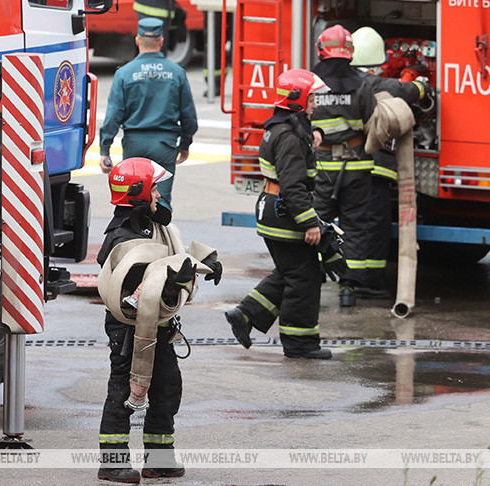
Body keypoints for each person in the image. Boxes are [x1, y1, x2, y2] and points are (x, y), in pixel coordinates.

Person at [96, 157, 222, 483]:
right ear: (140, 192)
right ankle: (112, 463)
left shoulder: (153, 226)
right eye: (154, 189)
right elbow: (139, 292)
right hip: (129, 328)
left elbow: (171, 262)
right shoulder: (121, 240)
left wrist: (203, 263)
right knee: (124, 392)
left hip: (160, 327)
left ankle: (159, 459)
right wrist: (177, 279)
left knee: (166, 390)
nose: (158, 196)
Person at [223, 69, 344, 360]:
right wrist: (309, 223)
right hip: (285, 212)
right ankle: (300, 344)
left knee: (292, 271)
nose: (315, 105)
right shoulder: (289, 136)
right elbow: (292, 185)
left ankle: (246, 315)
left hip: (273, 209)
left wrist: (313, 134)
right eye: (312, 99)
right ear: (298, 99)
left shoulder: (282, 127)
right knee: (304, 277)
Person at [350, 26, 430, 299]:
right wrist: (421, 85)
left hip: (346, 170)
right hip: (374, 170)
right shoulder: (372, 83)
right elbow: (405, 89)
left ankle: (352, 280)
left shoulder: (342, 80)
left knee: (355, 225)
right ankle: (367, 282)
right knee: (375, 225)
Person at [99, 17, 198, 216]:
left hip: (135, 145)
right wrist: (185, 144)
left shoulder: (124, 74)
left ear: (137, 40)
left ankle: (135, 240)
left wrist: (105, 148)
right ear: (161, 40)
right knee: (161, 200)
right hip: (164, 145)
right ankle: (160, 242)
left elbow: (113, 114)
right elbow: (189, 117)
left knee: (134, 198)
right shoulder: (176, 72)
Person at [310, 24, 377, 307]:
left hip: (322, 166)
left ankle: (314, 278)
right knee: (356, 226)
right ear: (350, 50)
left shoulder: (311, 82)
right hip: (355, 165)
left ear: (321, 50)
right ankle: (349, 287)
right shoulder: (363, 83)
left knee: (318, 225)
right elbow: (371, 121)